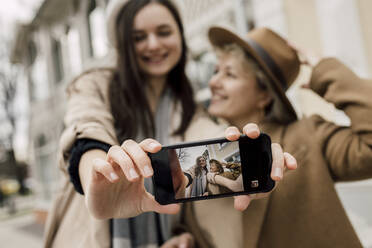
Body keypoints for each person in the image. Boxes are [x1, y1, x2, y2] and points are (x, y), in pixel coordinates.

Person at [42, 1, 297, 247]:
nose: (153, 44)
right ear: (123, 43)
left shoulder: (188, 103)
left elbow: (205, 135)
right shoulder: (95, 84)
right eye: (139, 37)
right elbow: (87, 129)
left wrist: (236, 150)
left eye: (164, 32)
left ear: (180, 36)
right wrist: (97, 178)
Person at [196, 26, 372, 247]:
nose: (213, 83)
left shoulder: (308, 136)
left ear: (265, 95)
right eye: (215, 71)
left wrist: (328, 73)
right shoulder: (205, 149)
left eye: (229, 74)